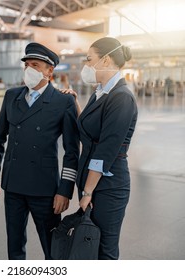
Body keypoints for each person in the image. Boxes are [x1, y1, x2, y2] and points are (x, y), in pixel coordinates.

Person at [0, 42, 80, 260]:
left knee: (53, 248)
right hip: (13, 185)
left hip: (45, 189)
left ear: (49, 71)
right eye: (26, 64)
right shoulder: (12, 96)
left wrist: (65, 190)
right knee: (15, 246)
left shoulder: (63, 101)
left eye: (35, 65)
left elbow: (72, 152)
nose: (29, 69)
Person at [61, 37, 137, 259]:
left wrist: (87, 192)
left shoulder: (122, 98)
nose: (86, 65)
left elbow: (105, 151)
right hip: (92, 182)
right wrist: (75, 103)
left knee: (104, 249)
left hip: (108, 186)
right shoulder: (101, 92)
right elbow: (89, 131)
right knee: (89, 245)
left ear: (105, 60)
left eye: (89, 59)